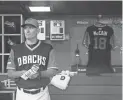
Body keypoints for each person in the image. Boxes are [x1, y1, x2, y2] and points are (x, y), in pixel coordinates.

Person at [7, 18, 59, 100]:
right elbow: (10, 73)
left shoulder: (48, 48)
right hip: (22, 94)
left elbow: (53, 71)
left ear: (38, 30)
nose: (27, 31)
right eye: (25, 28)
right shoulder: (15, 49)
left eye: (31, 28)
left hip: (42, 94)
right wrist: (22, 73)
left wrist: (39, 74)